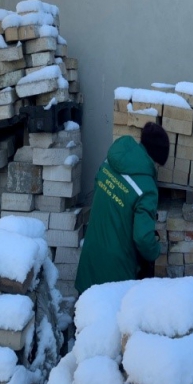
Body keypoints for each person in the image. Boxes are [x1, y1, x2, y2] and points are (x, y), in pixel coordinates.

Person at [74, 121, 170, 295]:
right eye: (158, 165)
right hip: (115, 271)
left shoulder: (110, 161)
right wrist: (156, 250)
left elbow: (97, 186)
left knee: (85, 307)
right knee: (110, 310)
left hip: (91, 254)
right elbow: (143, 238)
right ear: (155, 159)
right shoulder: (147, 188)